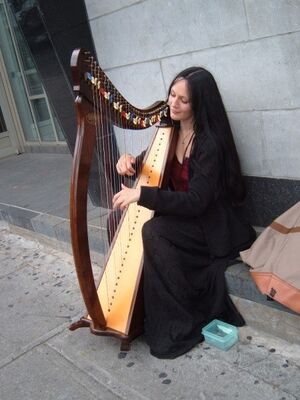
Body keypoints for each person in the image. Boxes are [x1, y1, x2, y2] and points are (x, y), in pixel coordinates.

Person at [112, 67, 256, 359]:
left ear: (199, 104)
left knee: (153, 230)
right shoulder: (169, 131)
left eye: (183, 100)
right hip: (184, 219)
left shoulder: (208, 143)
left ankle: (180, 319)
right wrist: (128, 162)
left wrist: (141, 195)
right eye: (172, 95)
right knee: (116, 218)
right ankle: (136, 308)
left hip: (209, 226)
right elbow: (148, 166)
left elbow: (196, 202)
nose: (173, 104)